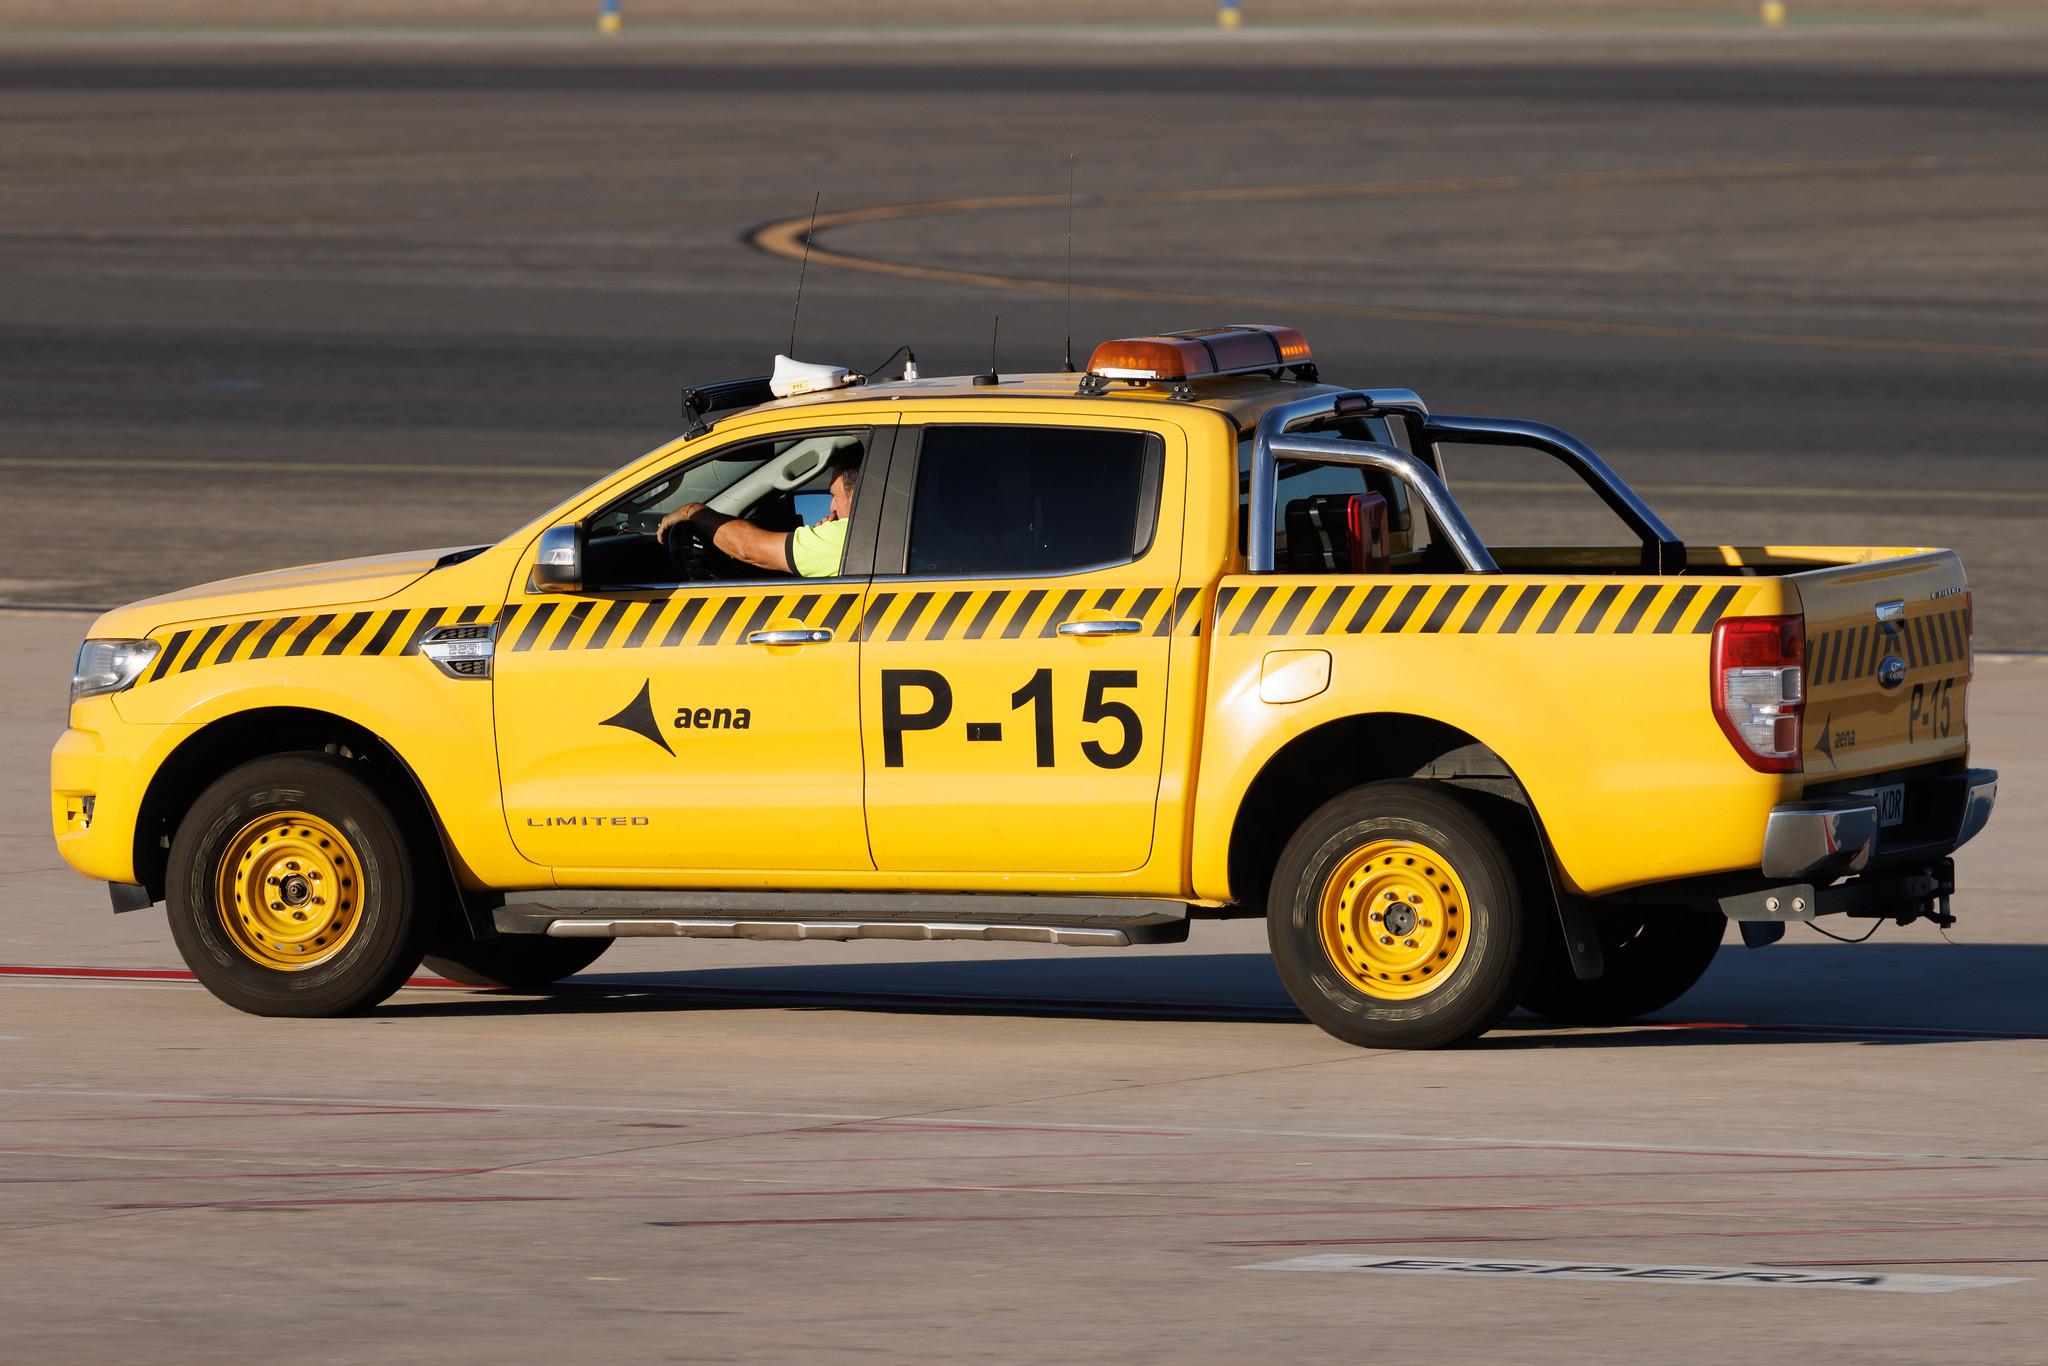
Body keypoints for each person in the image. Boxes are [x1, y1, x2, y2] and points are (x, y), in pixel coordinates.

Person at [657, 450, 858, 578]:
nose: (831, 507)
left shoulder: (849, 539)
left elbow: (748, 548)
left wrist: (690, 511)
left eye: (834, 495)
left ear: (858, 494)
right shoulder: (876, 535)